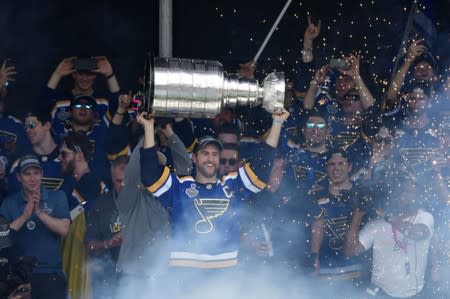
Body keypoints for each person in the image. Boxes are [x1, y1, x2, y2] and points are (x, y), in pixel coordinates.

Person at [137, 107, 287, 292]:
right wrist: (149, 128)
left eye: (215, 154)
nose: (210, 159)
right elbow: (150, 174)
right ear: (194, 158)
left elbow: (262, 167)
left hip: (224, 276)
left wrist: (277, 123)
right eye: (205, 154)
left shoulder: (232, 186)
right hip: (184, 276)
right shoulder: (179, 187)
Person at [345, 177, 434, 298]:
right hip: (380, 293)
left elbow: (416, 233)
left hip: (413, 293)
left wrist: (388, 217)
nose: (403, 195)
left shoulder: (424, 217)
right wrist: (357, 216)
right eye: (401, 191)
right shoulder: (376, 225)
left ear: (419, 196)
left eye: (409, 192)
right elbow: (350, 251)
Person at [0, 154, 70, 299]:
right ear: (19, 177)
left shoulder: (58, 197)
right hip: (18, 278)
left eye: (36, 173)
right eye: (27, 174)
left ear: (42, 174)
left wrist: (39, 212)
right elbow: (1, 239)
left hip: (51, 275)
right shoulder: (9, 203)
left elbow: (64, 229)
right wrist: (24, 216)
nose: (32, 179)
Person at [58, 132, 103, 299]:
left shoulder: (90, 182)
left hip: (85, 260)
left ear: (79, 155)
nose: (60, 158)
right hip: (72, 257)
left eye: (64, 154)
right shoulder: (71, 181)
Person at [85, 155, 128, 299]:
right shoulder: (100, 205)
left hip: (141, 276)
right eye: (118, 181)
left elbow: (162, 240)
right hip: (109, 280)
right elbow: (89, 245)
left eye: (127, 181)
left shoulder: (148, 202)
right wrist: (108, 243)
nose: (122, 185)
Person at [44, 56, 120, 134]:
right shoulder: (60, 100)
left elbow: (121, 113)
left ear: (95, 75)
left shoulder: (103, 100)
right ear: (74, 74)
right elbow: (40, 112)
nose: (85, 78)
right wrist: (57, 74)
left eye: (89, 74)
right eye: (80, 74)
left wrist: (110, 75)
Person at [8, 110, 70, 195]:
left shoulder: (67, 158)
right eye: (25, 127)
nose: (28, 130)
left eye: (31, 125)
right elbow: (12, 202)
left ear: (47, 126)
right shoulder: (19, 164)